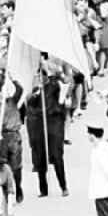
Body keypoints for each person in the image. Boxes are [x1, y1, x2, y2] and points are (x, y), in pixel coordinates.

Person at [25, 66, 68, 198]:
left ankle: (63, 186)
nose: (39, 79)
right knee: (40, 158)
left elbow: (63, 90)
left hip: (53, 125)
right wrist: (35, 94)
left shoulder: (54, 86)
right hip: (39, 127)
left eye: (41, 76)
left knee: (56, 156)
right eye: (37, 77)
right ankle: (43, 189)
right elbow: (30, 105)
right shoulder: (36, 91)